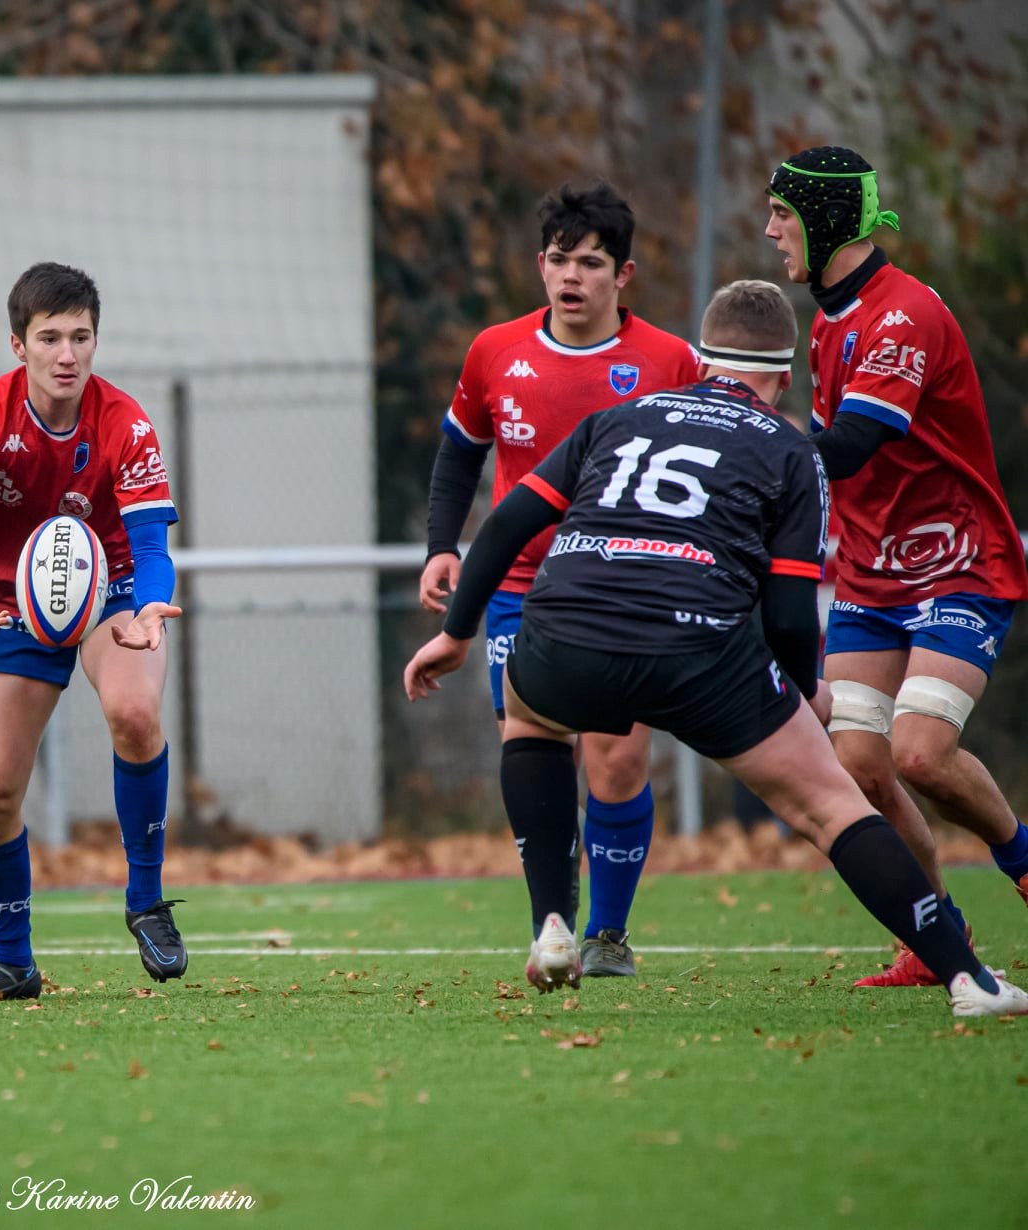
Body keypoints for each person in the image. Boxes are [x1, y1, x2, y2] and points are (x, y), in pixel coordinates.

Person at [403, 279, 1026, 1019]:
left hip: (563, 629)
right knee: (830, 805)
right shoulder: (796, 452)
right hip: (697, 648)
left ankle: (551, 926)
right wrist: (801, 689)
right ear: (786, 377)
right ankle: (968, 979)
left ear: (698, 361)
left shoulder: (617, 419)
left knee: (532, 723)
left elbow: (505, 525)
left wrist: (455, 634)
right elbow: (791, 610)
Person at [420, 183, 699, 978]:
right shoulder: (493, 352)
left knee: (614, 759)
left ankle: (608, 934)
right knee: (532, 734)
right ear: (539, 264)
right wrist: (445, 545)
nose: (570, 275)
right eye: (557, 259)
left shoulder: (667, 362)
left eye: (589, 262)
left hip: (628, 586)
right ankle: (552, 924)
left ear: (625, 274)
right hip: (520, 585)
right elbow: (459, 452)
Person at [766, 146, 1028, 987]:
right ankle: (936, 933)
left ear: (828, 218)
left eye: (784, 213)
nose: (771, 229)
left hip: (958, 563)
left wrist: (741, 436)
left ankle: (1022, 863)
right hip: (874, 577)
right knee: (857, 766)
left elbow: (846, 446)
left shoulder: (900, 315)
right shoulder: (829, 316)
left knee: (919, 753)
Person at [0, 262, 184, 1002]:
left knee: (135, 713)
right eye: (50, 338)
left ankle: (146, 901)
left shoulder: (125, 423)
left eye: (81, 336)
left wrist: (149, 606)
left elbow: (155, 549)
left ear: (95, 341)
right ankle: (14, 962)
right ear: (18, 345)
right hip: (12, 598)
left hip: (113, 587)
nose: (67, 354)